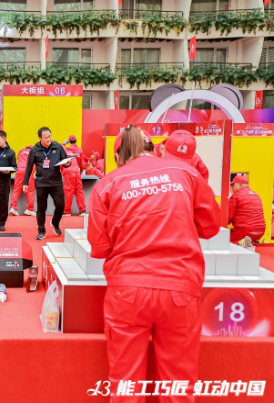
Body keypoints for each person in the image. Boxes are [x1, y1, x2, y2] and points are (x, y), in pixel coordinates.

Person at [88, 125, 220, 402]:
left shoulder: (108, 183)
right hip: (180, 287)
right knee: (178, 385)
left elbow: (99, 248)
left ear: (118, 155)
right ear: (154, 149)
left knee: (125, 385)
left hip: (127, 291)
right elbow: (210, 226)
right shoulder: (185, 173)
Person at [23, 127, 72, 240]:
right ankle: (41, 231)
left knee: (61, 205)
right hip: (41, 182)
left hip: (56, 181)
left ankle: (55, 222)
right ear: (40, 138)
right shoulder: (34, 150)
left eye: (50, 136)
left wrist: (68, 164)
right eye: (46, 137)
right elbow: (29, 167)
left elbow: (65, 161)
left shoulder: (58, 147)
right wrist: (25, 183)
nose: (49, 139)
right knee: (41, 208)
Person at [229, 175, 266, 247]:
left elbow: (227, 218)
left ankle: (241, 244)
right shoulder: (256, 195)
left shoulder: (235, 196)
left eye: (233, 185)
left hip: (244, 231)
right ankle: (247, 245)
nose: (232, 188)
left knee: (226, 241)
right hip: (260, 231)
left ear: (240, 184)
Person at [10, 145, 36, 217]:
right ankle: (29, 209)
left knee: (16, 189)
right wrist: (32, 172)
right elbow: (34, 164)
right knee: (30, 190)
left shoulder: (20, 151)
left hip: (19, 171)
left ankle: (13, 208)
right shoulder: (33, 152)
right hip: (28, 171)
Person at [62, 147, 86, 216]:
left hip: (69, 174)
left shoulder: (61, 153)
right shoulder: (73, 153)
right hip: (77, 173)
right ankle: (82, 211)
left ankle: (67, 211)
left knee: (68, 192)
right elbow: (82, 164)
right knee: (79, 192)